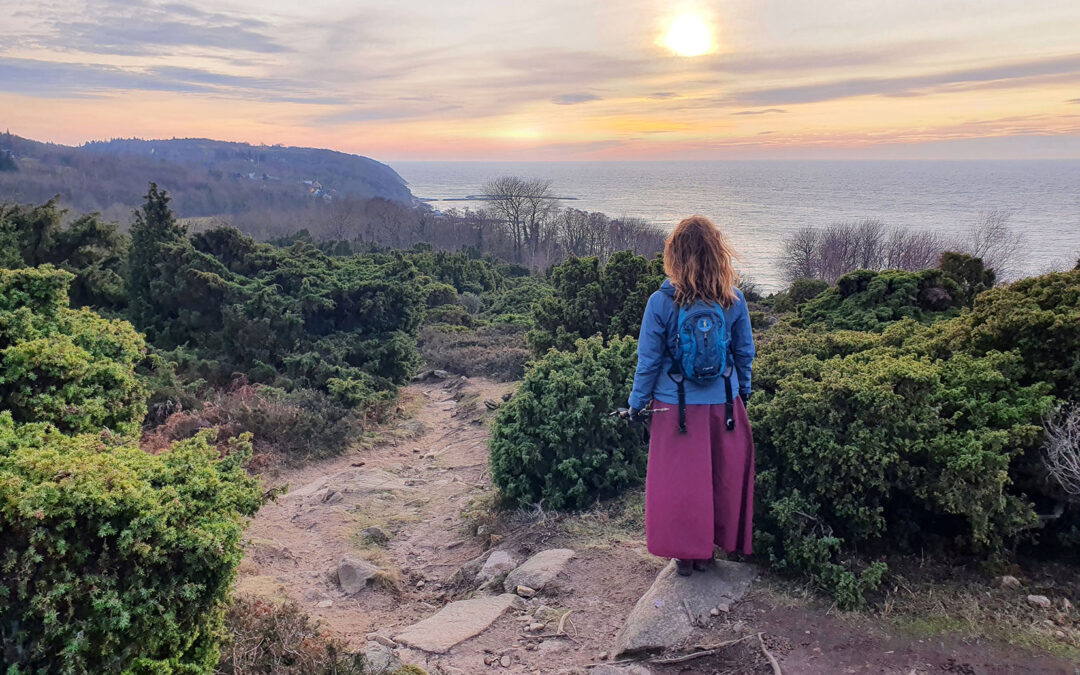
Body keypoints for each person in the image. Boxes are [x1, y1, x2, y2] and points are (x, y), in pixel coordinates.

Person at [626, 215, 756, 577]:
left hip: (674, 408)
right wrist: (742, 391)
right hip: (724, 405)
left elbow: (648, 362)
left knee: (680, 483)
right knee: (721, 478)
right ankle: (710, 550)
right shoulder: (734, 300)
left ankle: (685, 555)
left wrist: (637, 404)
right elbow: (744, 353)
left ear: (675, 255)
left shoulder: (660, 302)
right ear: (718, 252)